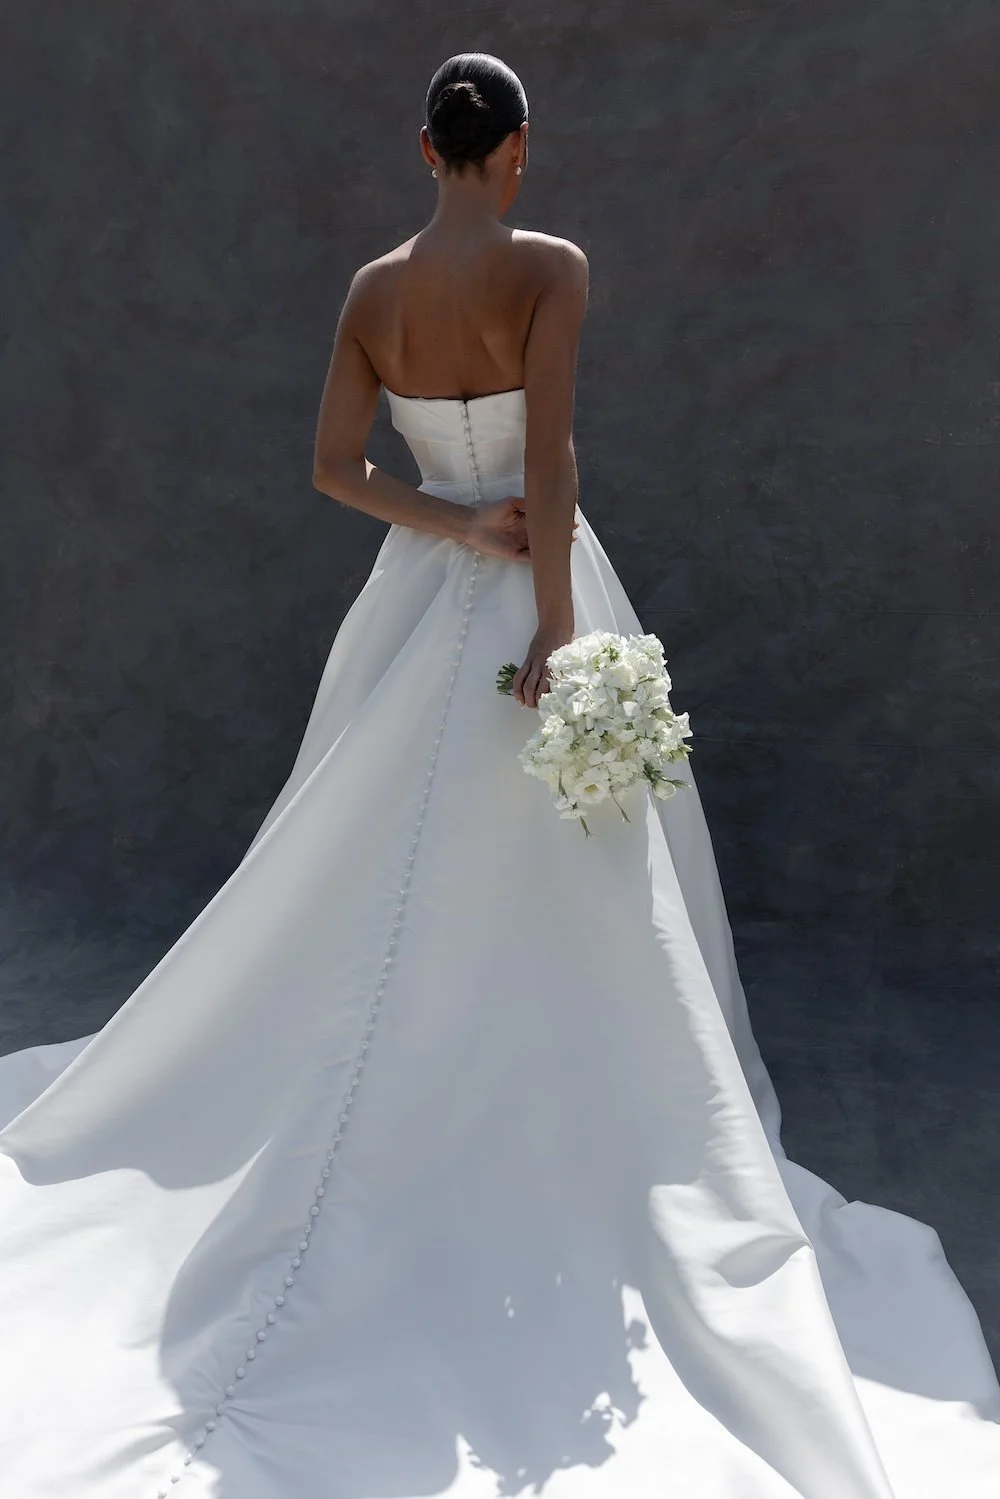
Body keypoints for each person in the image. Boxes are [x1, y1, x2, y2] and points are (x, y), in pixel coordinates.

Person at [0, 49, 997, 1499]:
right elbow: (556, 458)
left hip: (417, 593)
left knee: (358, 863)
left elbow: (336, 468)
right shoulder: (552, 267)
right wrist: (555, 625)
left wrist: (455, 525)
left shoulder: (371, 292)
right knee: (574, 878)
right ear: (517, 148)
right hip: (542, 587)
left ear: (427, 148)